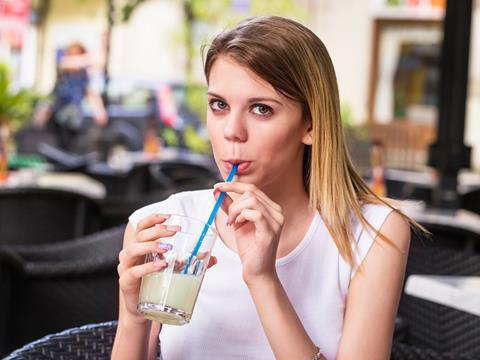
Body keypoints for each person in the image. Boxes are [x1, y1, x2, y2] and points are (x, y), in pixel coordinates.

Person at [112, 16, 419, 360]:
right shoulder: (164, 224)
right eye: (219, 105)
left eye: (261, 109)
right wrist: (133, 318)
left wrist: (263, 280)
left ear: (312, 126)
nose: (232, 130)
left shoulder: (373, 232)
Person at [34, 42, 108, 152]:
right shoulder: (64, 75)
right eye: (72, 54)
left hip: (74, 119)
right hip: (58, 117)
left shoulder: (84, 77)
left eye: (77, 54)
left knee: (72, 145)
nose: (74, 59)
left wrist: (99, 110)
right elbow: (54, 96)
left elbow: (92, 93)